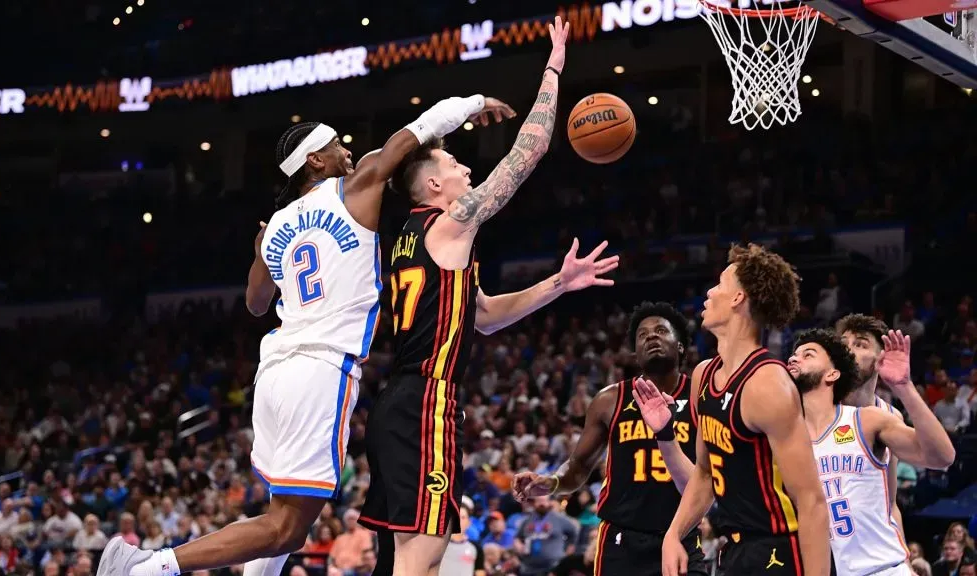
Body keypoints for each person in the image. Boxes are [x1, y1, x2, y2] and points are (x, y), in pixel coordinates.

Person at [96, 90, 516, 576]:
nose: (348, 150)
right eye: (337, 145)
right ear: (315, 160)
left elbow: (256, 303)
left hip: (274, 369)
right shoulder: (354, 186)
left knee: (279, 518)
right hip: (320, 368)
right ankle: (147, 568)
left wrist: (260, 250)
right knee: (288, 529)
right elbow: (417, 131)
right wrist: (473, 102)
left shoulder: (276, 224)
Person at [358, 16, 617, 576]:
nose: (467, 168)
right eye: (455, 164)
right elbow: (530, 149)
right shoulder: (450, 223)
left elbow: (485, 316)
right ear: (433, 185)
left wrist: (559, 282)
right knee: (422, 556)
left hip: (399, 402)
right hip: (425, 401)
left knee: (401, 559)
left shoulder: (413, 239)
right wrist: (554, 69)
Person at [660, 244, 830, 576]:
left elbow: (811, 503)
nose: (710, 293)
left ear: (738, 298)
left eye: (720, 284)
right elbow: (705, 473)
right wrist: (674, 533)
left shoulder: (768, 385)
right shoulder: (703, 375)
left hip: (780, 550)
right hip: (735, 550)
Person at [511, 301, 708, 576]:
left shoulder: (700, 396)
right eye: (642, 335)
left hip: (680, 532)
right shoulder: (609, 400)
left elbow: (709, 474)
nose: (651, 337)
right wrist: (552, 482)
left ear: (681, 346)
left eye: (661, 331)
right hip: (621, 539)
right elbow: (578, 466)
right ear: (635, 354)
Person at [788, 329, 955, 576]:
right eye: (794, 354)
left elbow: (942, 457)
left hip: (882, 568)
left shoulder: (866, 420)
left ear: (833, 373)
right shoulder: (784, 436)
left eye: (808, 354)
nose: (794, 358)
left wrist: (904, 387)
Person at [835, 314, 910, 537]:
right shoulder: (815, 407)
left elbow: (890, 504)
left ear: (881, 359)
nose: (848, 350)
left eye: (860, 344)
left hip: (868, 544)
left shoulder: (891, 415)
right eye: (843, 343)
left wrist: (902, 551)